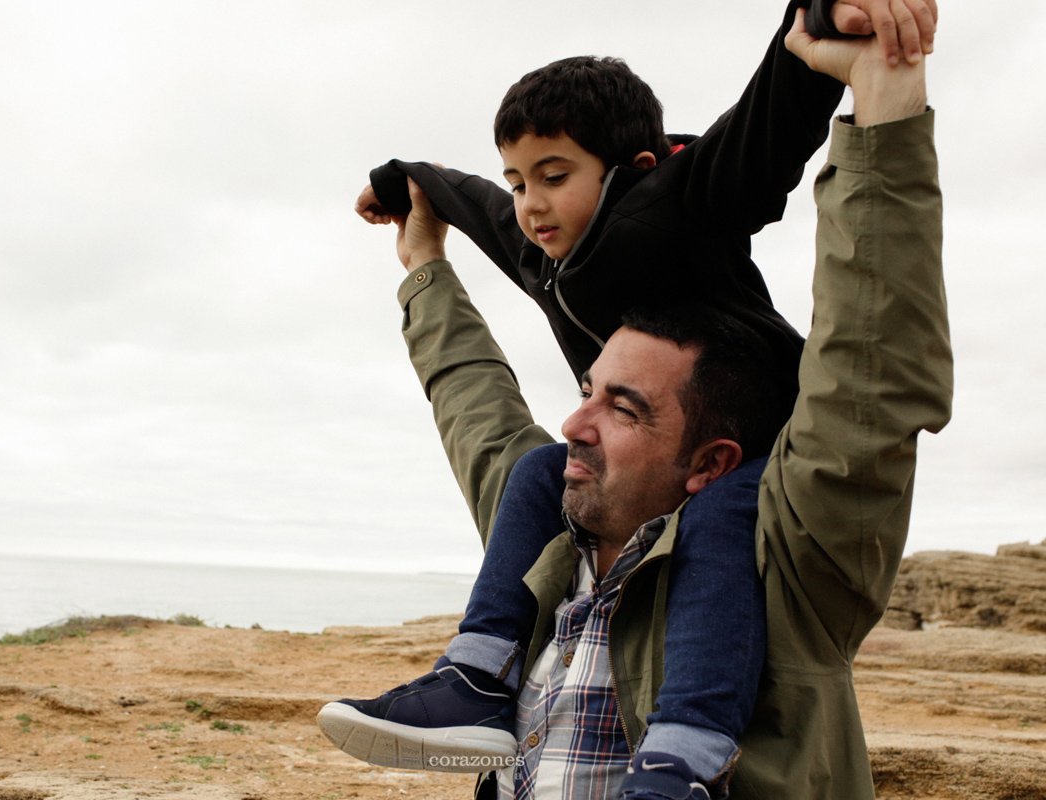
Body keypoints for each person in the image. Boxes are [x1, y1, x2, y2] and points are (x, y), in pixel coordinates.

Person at [323, 4, 950, 798]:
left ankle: (684, 755)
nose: (573, 424)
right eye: (587, 392)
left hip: (759, 444)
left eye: (624, 407)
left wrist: (839, 55)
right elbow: (476, 399)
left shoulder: (783, 565)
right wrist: (417, 236)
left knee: (724, 516)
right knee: (534, 469)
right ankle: (477, 679)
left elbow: (869, 354)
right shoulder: (560, 532)